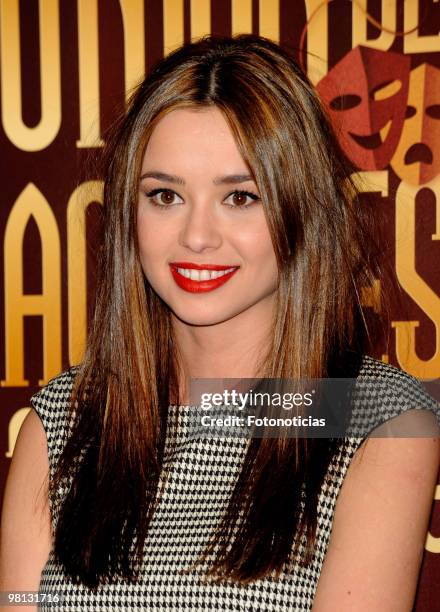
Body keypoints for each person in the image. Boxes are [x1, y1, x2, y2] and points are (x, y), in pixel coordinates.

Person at [1, 34, 439, 612]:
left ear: (301, 209)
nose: (197, 237)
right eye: (164, 195)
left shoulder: (376, 420)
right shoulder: (63, 423)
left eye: (240, 198)